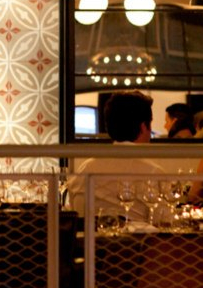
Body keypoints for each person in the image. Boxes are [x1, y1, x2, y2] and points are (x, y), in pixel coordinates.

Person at [69, 90, 163, 221]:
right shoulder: (153, 173)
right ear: (143, 127)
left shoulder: (83, 171)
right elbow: (164, 223)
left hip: (89, 234)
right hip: (138, 235)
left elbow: (75, 212)